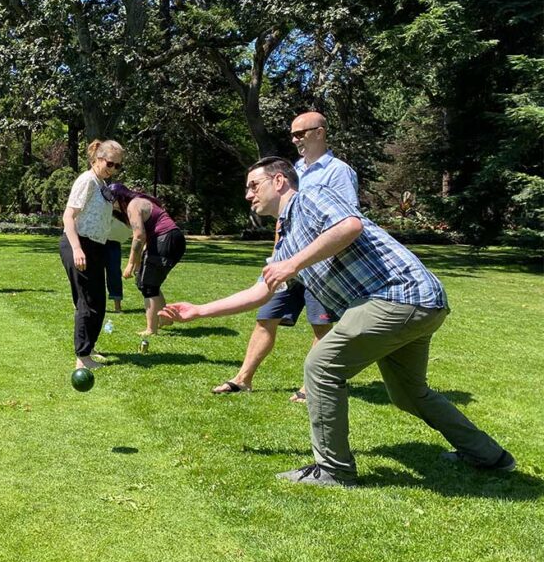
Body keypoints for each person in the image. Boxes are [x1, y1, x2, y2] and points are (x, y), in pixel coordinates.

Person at [163, 157, 515, 487]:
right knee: (410, 393)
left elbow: (350, 225)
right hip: (419, 303)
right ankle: (489, 456)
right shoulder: (286, 241)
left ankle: (333, 470)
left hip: (397, 295)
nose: (248, 195)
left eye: (254, 185)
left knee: (321, 366)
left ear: (280, 180)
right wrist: (199, 310)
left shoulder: (310, 197)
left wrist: (294, 264)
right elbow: (260, 293)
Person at [212, 111, 359, 400]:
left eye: (300, 133)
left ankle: (309, 387)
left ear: (320, 132)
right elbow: (283, 219)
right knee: (266, 315)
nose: (294, 140)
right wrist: (277, 258)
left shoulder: (338, 171)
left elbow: (346, 220)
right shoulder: (295, 170)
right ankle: (243, 379)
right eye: (292, 135)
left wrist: (304, 259)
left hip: (320, 264)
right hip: (287, 261)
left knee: (320, 326)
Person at [60, 139, 126, 370]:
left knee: (97, 300)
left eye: (118, 166)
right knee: (88, 302)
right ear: (98, 159)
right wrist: (78, 249)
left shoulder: (100, 183)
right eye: (110, 163)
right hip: (80, 244)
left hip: (96, 246)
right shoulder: (87, 180)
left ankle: (90, 347)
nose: (113, 169)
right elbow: (68, 217)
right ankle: (82, 357)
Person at [109, 183, 186, 336]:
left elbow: (139, 236)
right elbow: (144, 238)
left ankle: (151, 329)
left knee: (148, 285)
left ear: (119, 198)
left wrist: (130, 264)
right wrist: (138, 264)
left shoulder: (133, 205)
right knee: (146, 282)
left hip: (165, 239)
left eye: (110, 200)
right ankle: (166, 319)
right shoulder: (136, 203)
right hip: (170, 239)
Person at [104, 217, 131, 313]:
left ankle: (117, 307)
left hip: (113, 240)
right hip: (97, 240)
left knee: (114, 272)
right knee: (95, 274)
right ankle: (94, 304)